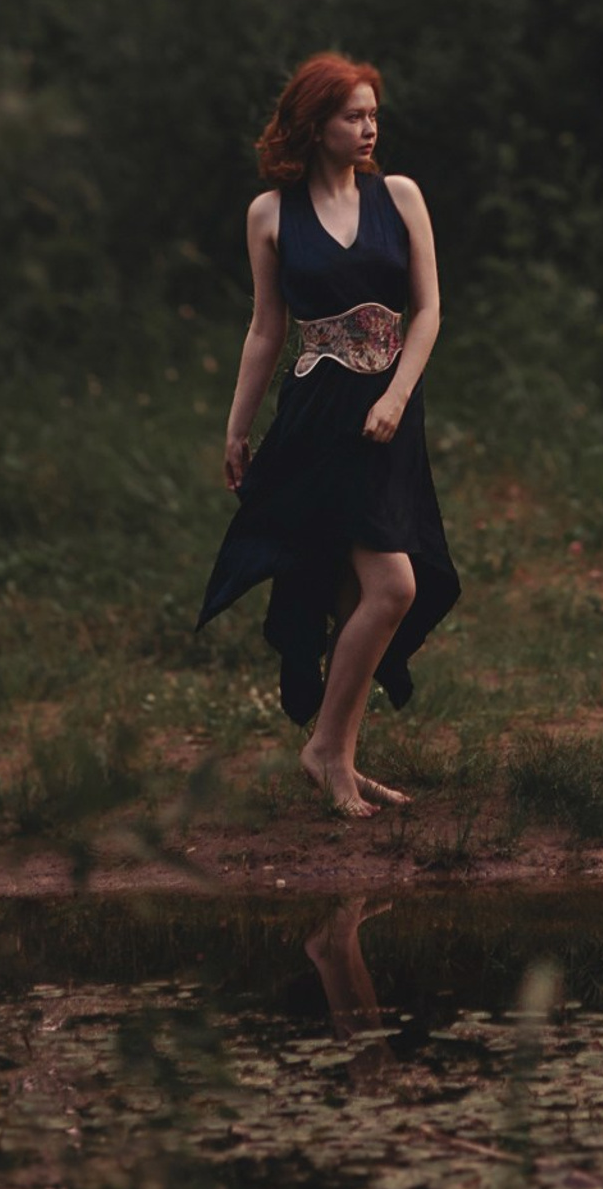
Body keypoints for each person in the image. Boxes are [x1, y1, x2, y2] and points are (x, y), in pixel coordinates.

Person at [196, 53, 460, 817]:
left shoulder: (400, 197)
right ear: (315, 125)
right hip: (317, 420)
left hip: (389, 418)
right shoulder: (270, 215)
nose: (370, 125)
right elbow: (265, 328)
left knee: (361, 596)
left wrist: (397, 397)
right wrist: (237, 428)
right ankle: (324, 751)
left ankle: (336, 756)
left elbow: (430, 311)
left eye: (374, 112)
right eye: (354, 114)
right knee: (393, 586)